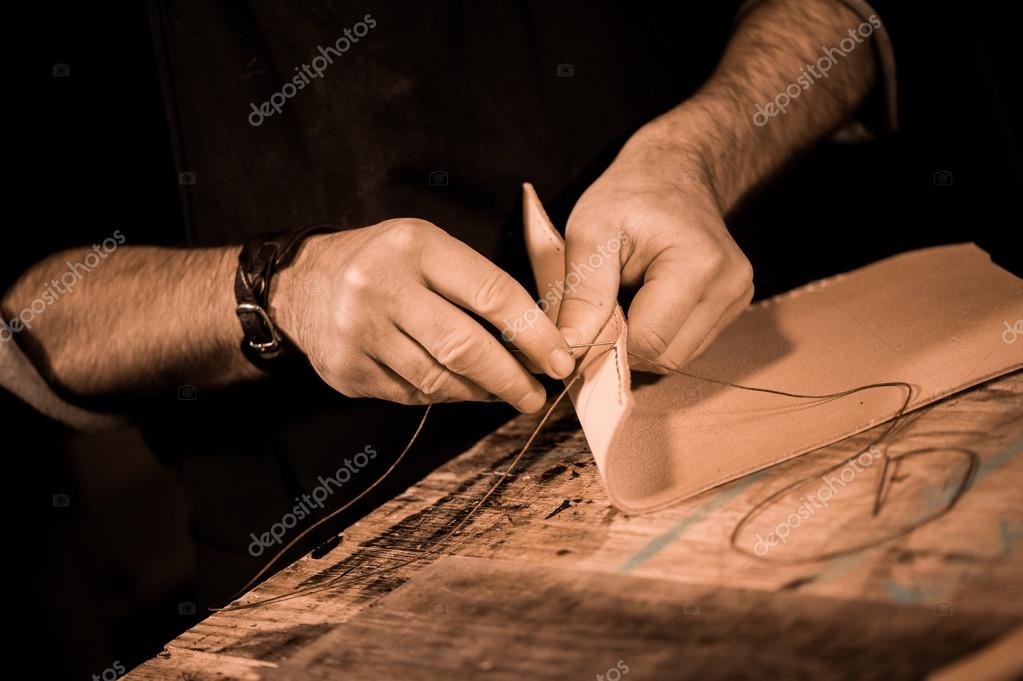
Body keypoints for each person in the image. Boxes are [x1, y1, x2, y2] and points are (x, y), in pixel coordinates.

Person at [4, 0, 896, 600]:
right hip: (345, 565)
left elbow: (848, 20)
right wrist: (274, 289)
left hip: (774, 423)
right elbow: (25, 326)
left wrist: (705, 148)